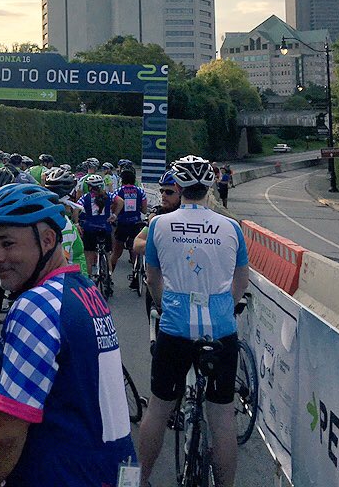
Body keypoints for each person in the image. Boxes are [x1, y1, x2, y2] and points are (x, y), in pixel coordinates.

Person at [0, 184, 135, 486]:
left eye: (7, 243)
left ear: (47, 240)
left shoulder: (38, 304)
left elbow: (6, 429)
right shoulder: (85, 290)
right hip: (111, 470)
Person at [137, 156, 250, 487]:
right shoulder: (231, 227)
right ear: (210, 185)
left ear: (180, 186)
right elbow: (241, 280)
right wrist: (223, 307)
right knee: (222, 417)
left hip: (175, 327)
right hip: (220, 329)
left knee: (158, 409)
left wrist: (162, 304)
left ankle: (141, 479)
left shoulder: (159, 225)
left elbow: (152, 277)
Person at [77, 173, 123, 281]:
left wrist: (76, 222)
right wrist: (114, 215)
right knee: (107, 254)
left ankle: (89, 279)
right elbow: (120, 201)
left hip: (90, 228)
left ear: (90, 187)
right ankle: (109, 277)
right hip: (105, 227)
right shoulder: (108, 196)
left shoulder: (86, 197)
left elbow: (76, 208)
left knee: (88, 255)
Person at [110, 169, 146, 283]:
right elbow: (144, 210)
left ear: (122, 180)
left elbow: (113, 207)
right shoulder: (140, 191)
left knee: (116, 251)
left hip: (122, 223)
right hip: (136, 223)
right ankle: (136, 275)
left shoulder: (118, 191)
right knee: (134, 249)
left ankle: (109, 276)